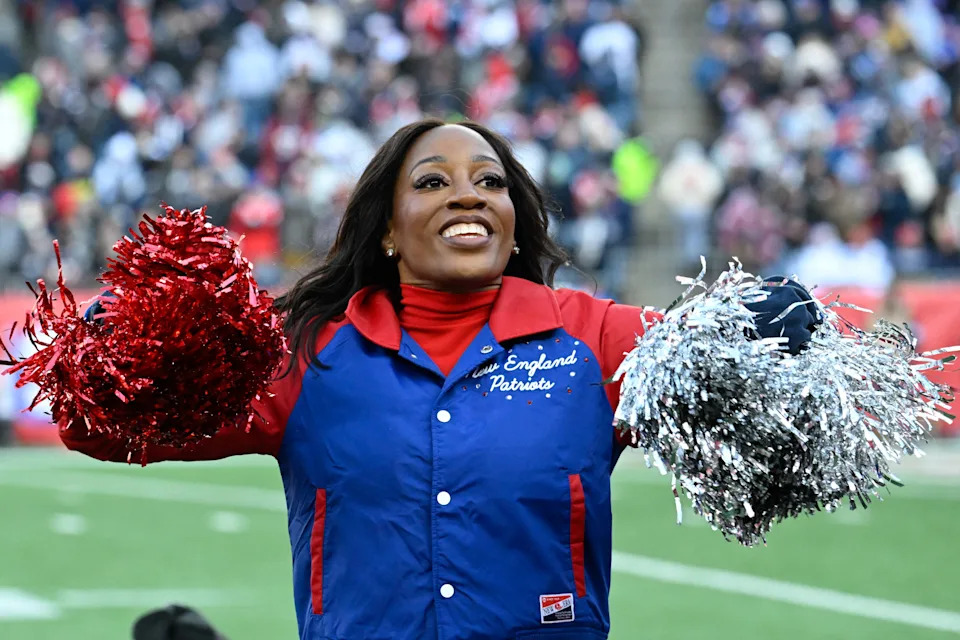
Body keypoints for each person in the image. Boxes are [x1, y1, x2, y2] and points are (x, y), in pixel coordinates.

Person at [62, 119, 810, 640]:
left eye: (490, 182)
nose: (468, 194)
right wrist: (121, 353)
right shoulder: (306, 353)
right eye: (433, 181)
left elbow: (711, 354)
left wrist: (758, 325)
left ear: (512, 218)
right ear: (387, 229)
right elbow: (104, 427)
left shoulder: (590, 336)